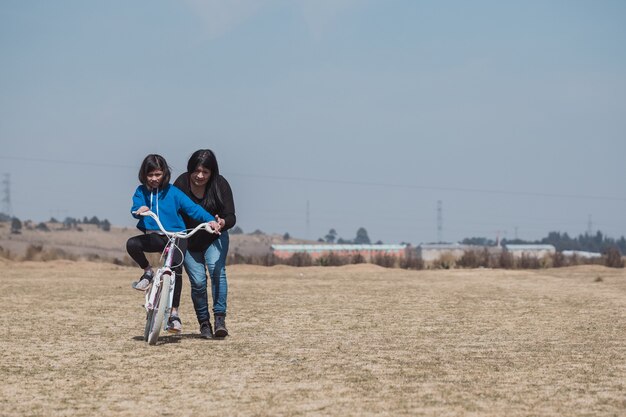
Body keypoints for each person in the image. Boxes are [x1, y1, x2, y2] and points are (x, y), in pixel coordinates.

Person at [126, 154, 220, 333]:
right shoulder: (141, 191)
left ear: (164, 174)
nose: (154, 179)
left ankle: (174, 315)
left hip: (177, 237)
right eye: (150, 175)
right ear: (144, 175)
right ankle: (147, 273)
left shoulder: (174, 192)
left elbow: (194, 209)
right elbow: (135, 208)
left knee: (176, 272)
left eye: (158, 174)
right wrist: (139, 210)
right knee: (132, 244)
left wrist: (210, 221)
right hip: (155, 236)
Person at [174, 149, 236, 339]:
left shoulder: (220, 184)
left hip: (214, 237)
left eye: (205, 172)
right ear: (190, 170)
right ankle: (204, 323)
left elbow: (231, 216)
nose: (200, 176)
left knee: (217, 271)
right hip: (188, 240)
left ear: (212, 172)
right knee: (199, 282)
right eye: (196, 171)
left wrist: (222, 222)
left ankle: (219, 320)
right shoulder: (180, 184)